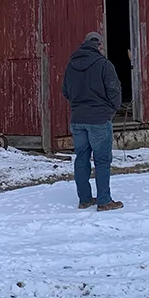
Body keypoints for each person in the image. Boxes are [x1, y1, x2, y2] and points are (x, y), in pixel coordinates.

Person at [62, 31, 123, 211]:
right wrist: (111, 111)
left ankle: (85, 199)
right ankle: (104, 201)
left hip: (78, 119)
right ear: (99, 46)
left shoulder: (71, 65)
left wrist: (78, 105)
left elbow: (65, 91)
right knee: (102, 160)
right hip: (99, 119)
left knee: (81, 158)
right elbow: (115, 91)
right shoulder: (104, 65)